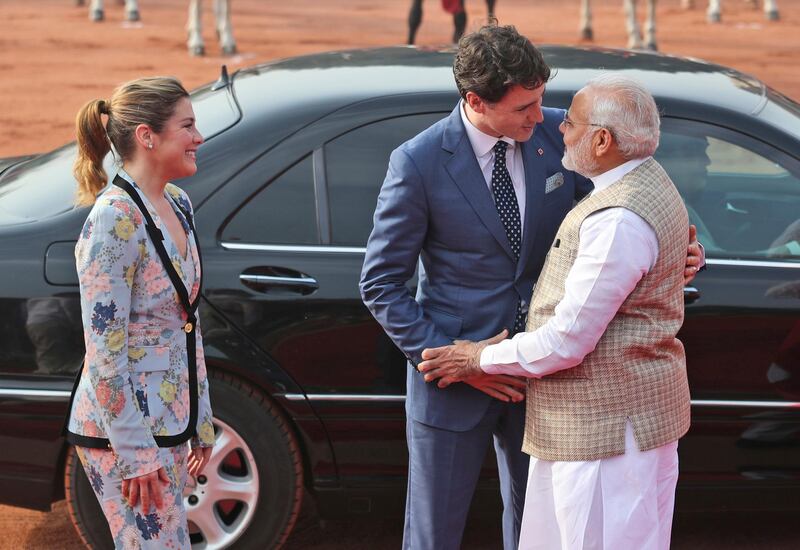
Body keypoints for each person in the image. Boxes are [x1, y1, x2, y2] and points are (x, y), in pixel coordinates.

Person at [360, 25, 702, 550]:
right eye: (525, 107)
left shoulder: (560, 138)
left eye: (541, 100)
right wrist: (455, 361)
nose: (542, 116)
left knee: (539, 530)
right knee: (433, 535)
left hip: (546, 379)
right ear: (476, 100)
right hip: (453, 385)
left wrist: (680, 249)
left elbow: (624, 202)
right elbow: (381, 283)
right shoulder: (418, 162)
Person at [63, 76, 214, 549]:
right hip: (125, 437)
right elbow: (104, 353)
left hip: (170, 423)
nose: (198, 137)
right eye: (187, 126)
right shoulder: (113, 220)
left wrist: (201, 418)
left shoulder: (177, 203)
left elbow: (185, 324)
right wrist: (136, 455)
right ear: (148, 136)